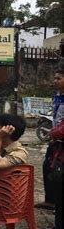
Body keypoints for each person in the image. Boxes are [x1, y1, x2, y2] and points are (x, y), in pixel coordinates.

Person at [36, 69, 64, 212]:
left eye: (58, 78)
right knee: (47, 166)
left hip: (61, 140)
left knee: (58, 171)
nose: (55, 81)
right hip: (55, 138)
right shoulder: (57, 96)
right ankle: (50, 200)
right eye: (54, 78)